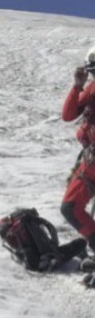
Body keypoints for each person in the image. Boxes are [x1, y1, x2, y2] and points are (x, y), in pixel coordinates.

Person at [59, 46, 95, 258]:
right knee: (70, 207)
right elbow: (68, 114)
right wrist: (77, 86)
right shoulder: (90, 90)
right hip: (90, 162)